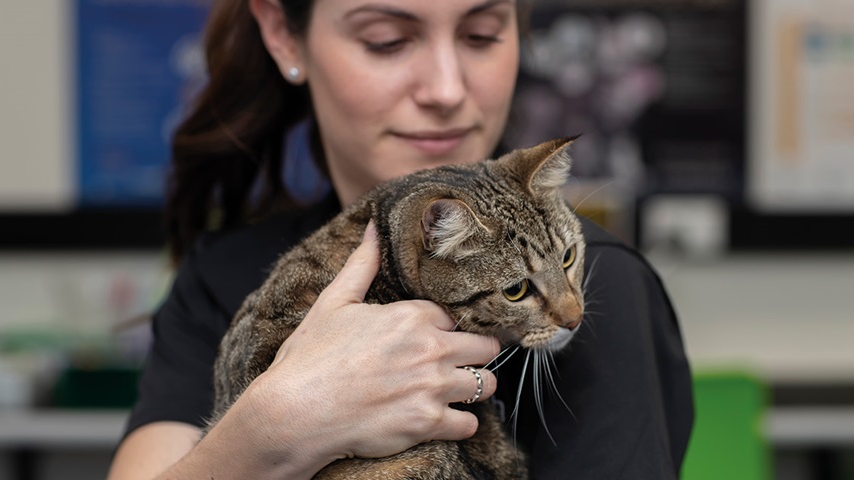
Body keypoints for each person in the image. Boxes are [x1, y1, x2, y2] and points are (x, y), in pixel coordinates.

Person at [107, 0, 694, 478]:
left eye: (483, 34)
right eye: (387, 39)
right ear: (286, 36)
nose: (445, 89)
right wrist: (273, 428)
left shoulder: (598, 287)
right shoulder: (218, 275)